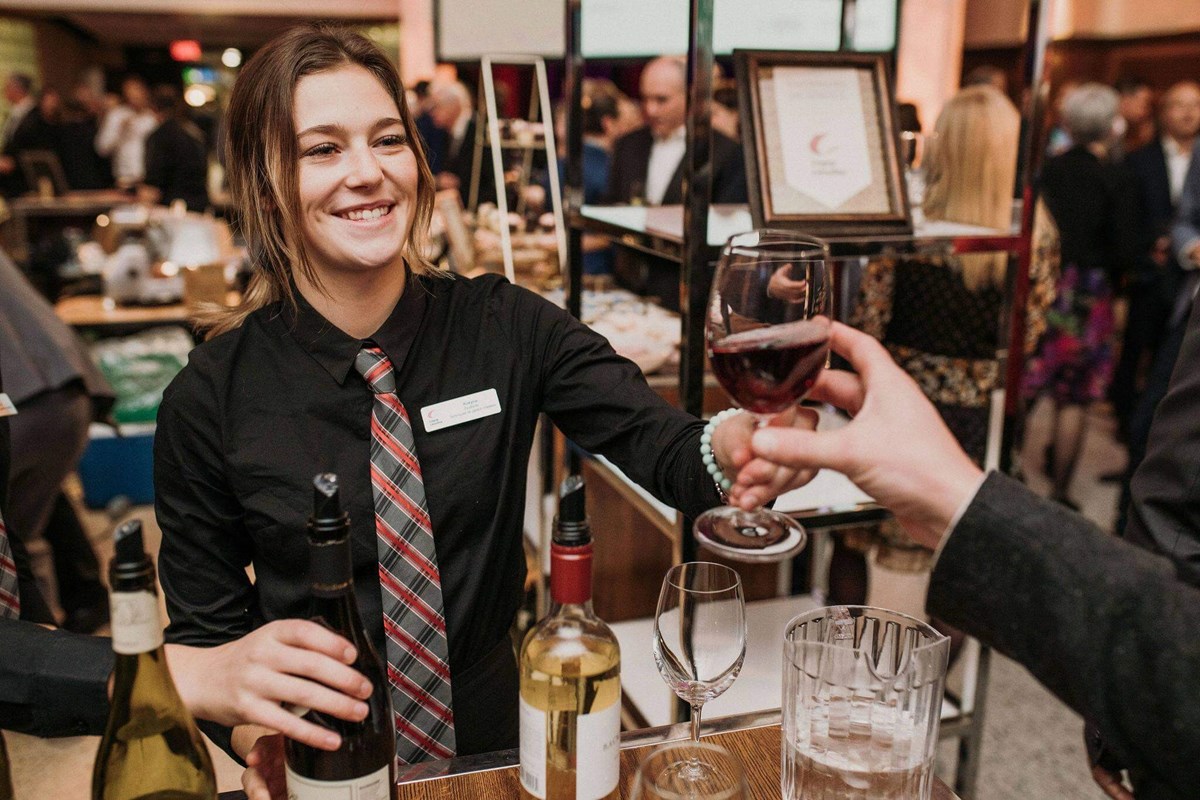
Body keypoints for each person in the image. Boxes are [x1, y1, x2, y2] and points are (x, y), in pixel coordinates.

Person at [153, 25, 784, 794]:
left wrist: (739, 443)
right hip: (320, 758)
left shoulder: (505, 325)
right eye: (322, 150)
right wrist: (261, 744)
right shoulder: (209, 397)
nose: (367, 173)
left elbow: (667, 449)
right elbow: (208, 639)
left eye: (388, 140)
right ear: (264, 181)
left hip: (496, 748)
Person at [729, 321, 1200, 800]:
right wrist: (1126, 711)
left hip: (924, 400)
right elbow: (1177, 513)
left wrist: (960, 502)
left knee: (859, 557)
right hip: (969, 407)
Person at [837, 85, 1058, 630]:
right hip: (978, 419)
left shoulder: (911, 233)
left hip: (899, 409)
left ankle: (841, 659)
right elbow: (1026, 338)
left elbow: (869, 324)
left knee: (853, 535)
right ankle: (932, 692)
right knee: (958, 553)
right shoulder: (1033, 236)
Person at [1023, 83, 1138, 509]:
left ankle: (1004, 471)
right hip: (1088, 294)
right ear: (1111, 127)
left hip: (1043, 282)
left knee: (1028, 379)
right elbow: (1126, 250)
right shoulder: (1117, 178)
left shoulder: (1046, 171)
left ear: (1067, 124)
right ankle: (1059, 494)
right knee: (1073, 395)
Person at [0, 251, 113, 633]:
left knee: (16, 546)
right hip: (68, 392)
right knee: (26, 538)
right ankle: (63, 638)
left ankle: (41, 664)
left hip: (19, 403)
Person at [1112, 81, 1200, 494]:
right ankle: (1132, 487)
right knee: (1151, 388)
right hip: (1165, 285)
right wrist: (1183, 245)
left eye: (1194, 106)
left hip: (1183, 288)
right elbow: (1184, 218)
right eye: (1179, 105)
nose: (1187, 114)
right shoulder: (1140, 160)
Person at [605, 56, 746, 206]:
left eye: (661, 100)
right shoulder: (627, 143)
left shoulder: (725, 151)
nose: (650, 110)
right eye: (644, 99)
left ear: (689, 95)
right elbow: (610, 202)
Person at [139, 85, 210, 212]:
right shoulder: (193, 131)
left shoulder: (159, 136)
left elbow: (153, 185)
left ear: (153, 108)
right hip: (201, 205)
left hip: (173, 210)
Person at [94, 75, 157, 188]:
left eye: (137, 91)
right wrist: (120, 130)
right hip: (125, 178)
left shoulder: (151, 118)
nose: (135, 96)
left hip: (148, 177)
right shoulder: (117, 115)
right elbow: (102, 148)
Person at [1116, 76, 1156, 157]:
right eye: (1145, 104)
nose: (1148, 111)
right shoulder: (1114, 127)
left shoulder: (1125, 128)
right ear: (1125, 99)